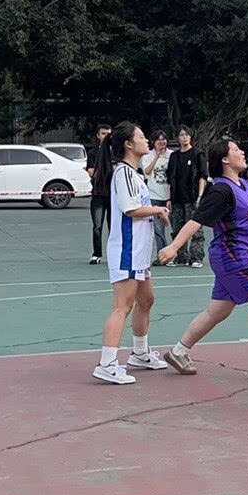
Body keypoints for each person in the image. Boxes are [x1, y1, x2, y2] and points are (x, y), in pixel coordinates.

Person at [158, 138, 248, 379]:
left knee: (218, 311)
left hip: (235, 256)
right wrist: (173, 247)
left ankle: (178, 352)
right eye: (236, 149)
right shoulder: (220, 190)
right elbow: (197, 220)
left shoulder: (243, 184)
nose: (242, 152)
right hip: (234, 256)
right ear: (225, 159)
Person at [93, 122, 171, 385]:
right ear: (128, 144)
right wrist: (158, 210)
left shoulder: (135, 175)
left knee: (146, 300)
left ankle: (139, 353)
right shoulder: (124, 173)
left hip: (139, 252)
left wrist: (156, 213)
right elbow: (130, 209)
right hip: (126, 250)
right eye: (141, 136)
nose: (147, 140)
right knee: (122, 306)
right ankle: (106, 364)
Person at [166, 124, 207, 266]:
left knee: (195, 228)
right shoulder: (174, 156)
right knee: (177, 228)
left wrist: (200, 196)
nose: (184, 137)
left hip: (193, 197)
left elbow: (202, 176)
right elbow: (170, 179)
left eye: (186, 134)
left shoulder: (198, 154)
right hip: (176, 198)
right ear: (177, 138)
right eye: (181, 135)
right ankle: (180, 256)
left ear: (191, 136)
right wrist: (169, 198)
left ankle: (196, 257)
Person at [141, 130, 172, 262]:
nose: (161, 142)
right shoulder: (147, 155)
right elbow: (147, 172)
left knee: (175, 226)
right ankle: (162, 256)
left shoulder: (172, 155)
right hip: (154, 195)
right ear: (153, 142)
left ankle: (176, 254)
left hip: (169, 196)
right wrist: (157, 157)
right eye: (158, 140)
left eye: (163, 139)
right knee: (158, 228)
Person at [88, 120, 112, 264]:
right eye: (103, 134)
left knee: (113, 227)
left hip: (113, 196)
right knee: (97, 226)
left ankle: (114, 253)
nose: (106, 136)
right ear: (98, 135)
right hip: (98, 195)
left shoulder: (116, 152)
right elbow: (92, 172)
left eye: (109, 134)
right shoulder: (93, 153)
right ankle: (96, 254)